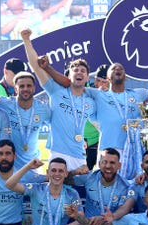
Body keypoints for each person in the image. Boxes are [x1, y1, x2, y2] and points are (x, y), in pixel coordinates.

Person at [22, 27, 96, 171]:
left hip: (80, 156)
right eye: (76, 70)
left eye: (83, 71)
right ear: (69, 76)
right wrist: (26, 40)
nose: (79, 72)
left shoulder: (91, 101)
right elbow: (36, 67)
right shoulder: (56, 91)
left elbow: (102, 125)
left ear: (87, 77)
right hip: (58, 154)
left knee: (78, 193)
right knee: (56, 191)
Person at [67, 148, 136, 225]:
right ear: (99, 163)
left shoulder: (125, 186)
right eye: (104, 162)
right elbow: (65, 179)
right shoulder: (89, 177)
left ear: (119, 165)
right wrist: (74, 172)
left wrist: (106, 218)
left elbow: (122, 209)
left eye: (112, 163)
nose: (108, 166)